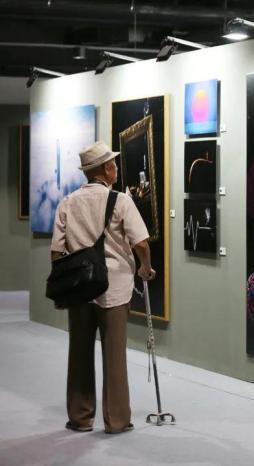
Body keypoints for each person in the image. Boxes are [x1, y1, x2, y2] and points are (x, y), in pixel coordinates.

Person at [50, 141, 156, 433]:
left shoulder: (67, 202)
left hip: (79, 289)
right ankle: (117, 420)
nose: (116, 168)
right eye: (114, 164)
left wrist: (62, 287)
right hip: (114, 288)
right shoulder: (121, 201)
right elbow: (141, 243)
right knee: (114, 357)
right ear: (106, 169)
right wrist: (145, 269)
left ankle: (80, 417)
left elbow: (56, 252)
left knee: (79, 354)